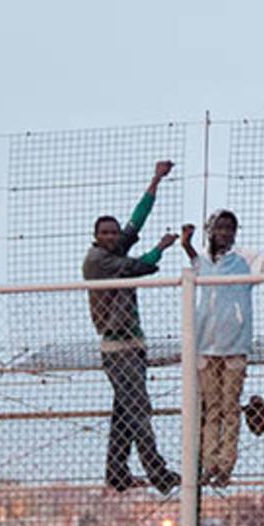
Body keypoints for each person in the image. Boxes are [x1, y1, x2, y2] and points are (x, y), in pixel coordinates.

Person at [178, 212, 264, 486]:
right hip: (205, 346)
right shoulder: (203, 262)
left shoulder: (245, 261)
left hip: (235, 345)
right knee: (211, 408)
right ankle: (209, 463)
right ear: (210, 231)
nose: (225, 233)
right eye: (220, 227)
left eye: (230, 228)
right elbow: (195, 262)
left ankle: (225, 465)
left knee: (230, 407)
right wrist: (185, 244)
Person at [83, 161, 181, 494]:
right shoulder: (99, 261)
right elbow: (142, 266)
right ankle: (158, 472)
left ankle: (116, 472)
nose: (112, 237)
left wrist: (156, 180)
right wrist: (162, 247)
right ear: (96, 236)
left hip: (132, 344)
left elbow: (136, 221)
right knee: (139, 408)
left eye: (114, 233)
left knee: (124, 412)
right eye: (106, 233)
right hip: (117, 346)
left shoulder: (112, 249)